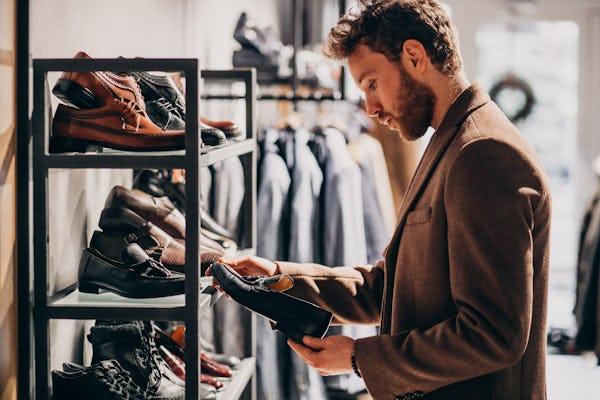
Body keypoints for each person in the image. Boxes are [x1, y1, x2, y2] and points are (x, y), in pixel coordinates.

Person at [213, 1, 552, 398]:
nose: (370, 109)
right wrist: (275, 277)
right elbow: (390, 286)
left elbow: (494, 334)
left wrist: (359, 357)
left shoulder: (483, 152)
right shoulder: (452, 142)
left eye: (372, 83)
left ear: (414, 55)